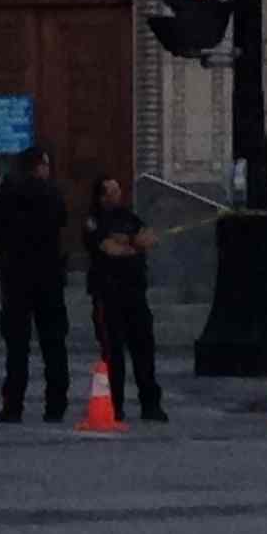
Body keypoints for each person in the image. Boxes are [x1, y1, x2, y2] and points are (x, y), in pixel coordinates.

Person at [0, 145, 70, 423]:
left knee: (17, 346)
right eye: (45, 165)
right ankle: (55, 404)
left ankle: (13, 405)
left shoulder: (9, 190)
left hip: (16, 277)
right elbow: (62, 218)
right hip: (47, 277)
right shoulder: (51, 192)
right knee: (53, 343)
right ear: (39, 166)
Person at [83, 175, 165, 422]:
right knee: (113, 352)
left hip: (135, 293)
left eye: (118, 190)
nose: (118, 195)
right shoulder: (93, 221)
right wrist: (131, 244)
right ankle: (114, 405)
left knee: (144, 349)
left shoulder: (129, 217)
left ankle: (150, 405)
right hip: (108, 295)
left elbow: (150, 238)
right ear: (102, 196)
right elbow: (110, 249)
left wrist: (130, 242)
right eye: (112, 191)